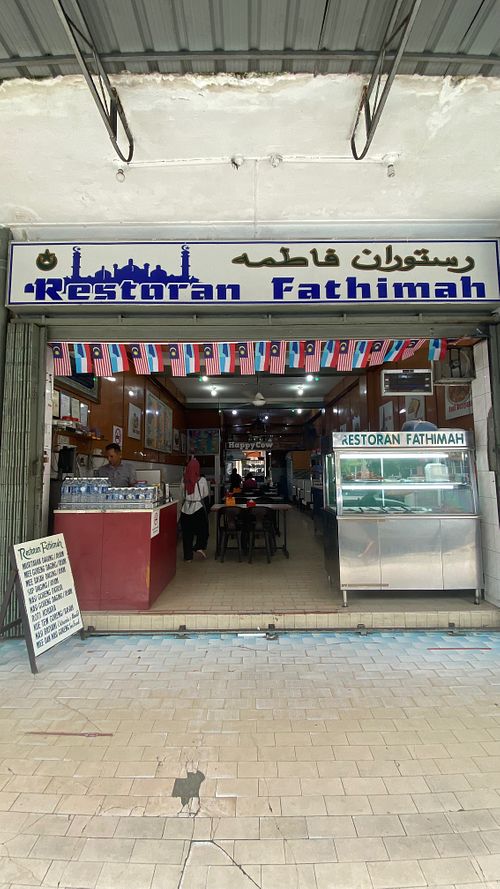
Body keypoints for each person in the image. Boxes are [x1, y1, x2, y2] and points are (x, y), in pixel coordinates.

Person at [180, 457, 209, 562]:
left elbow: (181, 495)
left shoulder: (184, 480)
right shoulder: (202, 480)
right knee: (203, 531)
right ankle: (198, 547)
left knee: (187, 534)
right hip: (198, 508)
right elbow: (205, 494)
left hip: (185, 509)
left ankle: (188, 557)